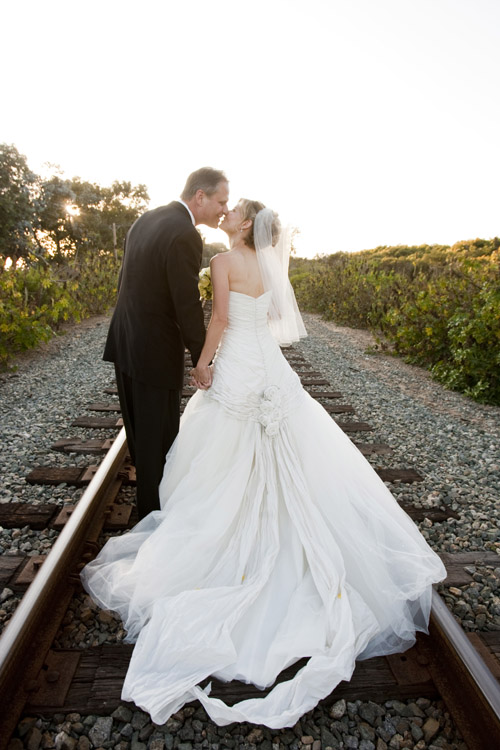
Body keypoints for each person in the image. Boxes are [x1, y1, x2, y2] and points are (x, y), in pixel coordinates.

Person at [81, 199, 446, 728]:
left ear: (247, 224)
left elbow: (222, 319)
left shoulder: (223, 263)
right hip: (269, 367)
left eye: (235, 211)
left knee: (221, 442)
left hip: (236, 364)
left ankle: (235, 531)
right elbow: (271, 317)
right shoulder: (269, 264)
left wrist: (203, 362)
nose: (225, 214)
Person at [103, 168, 229, 519]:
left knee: (142, 443)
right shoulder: (185, 234)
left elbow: (129, 282)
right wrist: (203, 357)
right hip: (154, 354)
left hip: (126, 344)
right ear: (200, 196)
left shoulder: (147, 218)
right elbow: (185, 305)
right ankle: (152, 523)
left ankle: (148, 513)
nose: (224, 209)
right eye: (221, 201)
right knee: (159, 448)